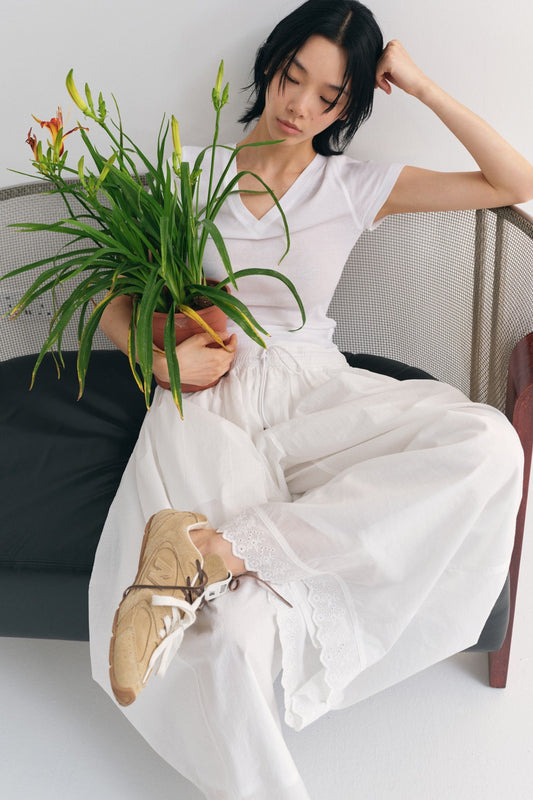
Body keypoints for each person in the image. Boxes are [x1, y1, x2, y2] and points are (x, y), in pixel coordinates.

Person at [89, 1, 533, 798]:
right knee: (230, 636)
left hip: (314, 393)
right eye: (292, 77)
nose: (298, 106)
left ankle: (223, 550)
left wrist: (420, 84)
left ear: (349, 107)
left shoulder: (352, 184)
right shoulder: (187, 172)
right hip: (209, 402)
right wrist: (157, 357)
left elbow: (514, 182)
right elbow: (112, 297)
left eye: (328, 97)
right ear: (270, 64)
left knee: (489, 442)